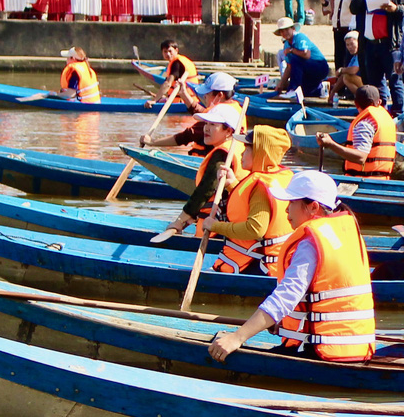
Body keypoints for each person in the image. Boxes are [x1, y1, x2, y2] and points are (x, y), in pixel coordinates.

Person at [207, 170, 375, 364]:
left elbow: (285, 298)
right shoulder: (345, 230)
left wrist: (237, 337)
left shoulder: (311, 242)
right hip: (355, 347)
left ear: (313, 207)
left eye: (292, 203)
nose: (286, 210)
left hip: (322, 352)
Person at [197, 126, 294, 275]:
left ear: (261, 154)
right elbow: (254, 203)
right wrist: (232, 185)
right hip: (276, 262)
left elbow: (255, 229)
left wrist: (215, 226)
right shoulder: (283, 176)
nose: (242, 153)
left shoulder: (261, 187)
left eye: (247, 149)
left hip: (255, 265)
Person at [153, 102, 247, 242]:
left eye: (213, 125)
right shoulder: (241, 148)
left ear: (228, 131)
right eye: (206, 124)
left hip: (217, 228)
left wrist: (180, 220)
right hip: (234, 224)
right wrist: (192, 216)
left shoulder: (222, 154)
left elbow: (205, 190)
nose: (206, 129)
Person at [319, 85, 398, 177]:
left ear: (356, 104)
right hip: (383, 180)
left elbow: (360, 157)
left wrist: (330, 144)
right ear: (379, 102)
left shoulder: (364, 124)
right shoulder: (386, 119)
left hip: (363, 182)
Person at [273, 17, 332, 100]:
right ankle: (320, 88)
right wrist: (281, 85)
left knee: (295, 58)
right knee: (304, 92)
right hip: (307, 70)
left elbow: (306, 54)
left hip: (319, 66)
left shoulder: (300, 37)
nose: (285, 33)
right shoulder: (286, 44)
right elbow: (289, 67)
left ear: (293, 29)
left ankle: (293, 89)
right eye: (282, 31)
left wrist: (292, 50)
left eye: (286, 29)